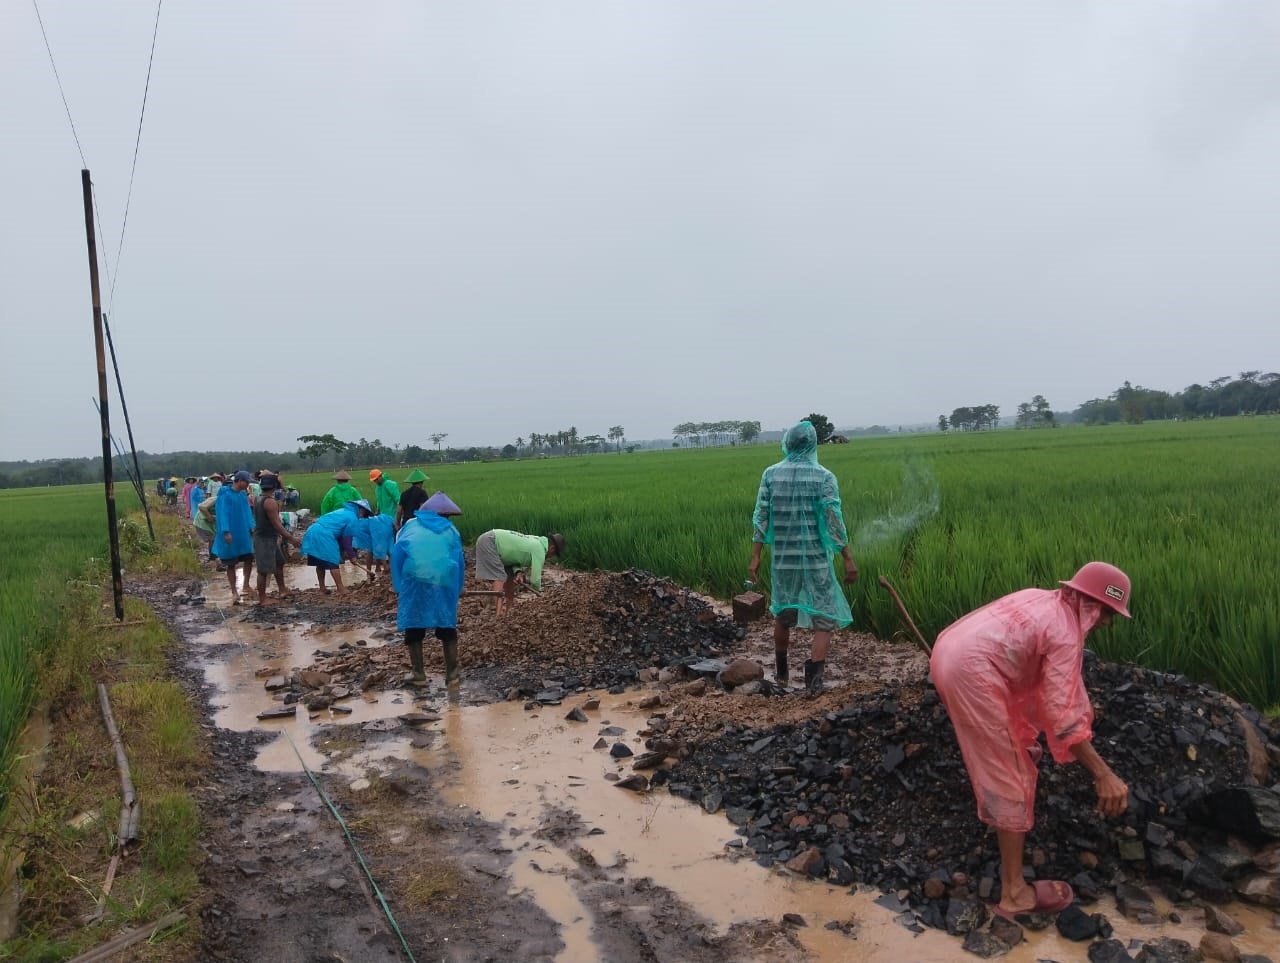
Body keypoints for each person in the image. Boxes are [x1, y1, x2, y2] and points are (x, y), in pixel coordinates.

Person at [929, 561, 1132, 921]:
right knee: (1010, 773)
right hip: (971, 672)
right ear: (1088, 604)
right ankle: (1013, 894)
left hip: (947, 651)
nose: (1106, 623)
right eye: (1105, 612)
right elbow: (1061, 714)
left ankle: (1006, 827)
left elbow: (1031, 676)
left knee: (1015, 753)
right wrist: (1103, 773)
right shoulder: (1066, 633)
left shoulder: (1039, 599)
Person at [748, 420, 858, 694]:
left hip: (784, 558)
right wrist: (847, 557)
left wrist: (756, 556)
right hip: (817, 560)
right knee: (824, 616)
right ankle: (814, 681)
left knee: (783, 612)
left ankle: (782, 673)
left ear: (788, 443)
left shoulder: (771, 475)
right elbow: (834, 520)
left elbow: (761, 516)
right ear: (811, 445)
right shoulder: (824, 477)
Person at [391, 490, 465, 687]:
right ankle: (452, 675)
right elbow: (459, 562)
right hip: (443, 580)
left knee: (414, 624)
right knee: (446, 622)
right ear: (445, 515)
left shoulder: (409, 526)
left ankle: (419, 675)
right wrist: (457, 588)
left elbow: (397, 555)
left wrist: (399, 586)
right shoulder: (451, 531)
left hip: (414, 581)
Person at [474, 528, 564, 617]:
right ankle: (498, 616)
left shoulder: (536, 541)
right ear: (552, 549)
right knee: (499, 577)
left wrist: (518, 572)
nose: (550, 557)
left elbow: (515, 556)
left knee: (510, 581)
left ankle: (508, 613)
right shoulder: (539, 549)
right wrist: (543, 597)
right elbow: (535, 580)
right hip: (490, 541)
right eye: (553, 555)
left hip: (496, 545)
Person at [300, 499, 373, 595]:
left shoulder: (343, 511)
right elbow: (347, 541)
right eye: (364, 514)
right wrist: (352, 556)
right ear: (361, 510)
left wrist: (344, 552)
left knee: (320, 562)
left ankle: (322, 588)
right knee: (333, 561)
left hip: (313, 531)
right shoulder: (352, 518)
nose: (362, 516)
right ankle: (341, 589)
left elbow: (340, 536)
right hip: (324, 534)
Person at [251, 474, 301, 605]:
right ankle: (262, 598)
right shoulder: (270, 502)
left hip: (268, 536)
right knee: (263, 570)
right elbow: (277, 524)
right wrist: (291, 539)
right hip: (265, 539)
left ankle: (282, 589)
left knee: (279, 563)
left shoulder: (257, 498)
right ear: (274, 487)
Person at [213, 470, 255, 603]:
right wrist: (226, 531)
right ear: (239, 481)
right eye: (246, 482)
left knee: (248, 558)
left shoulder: (243, 495)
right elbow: (222, 514)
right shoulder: (225, 495)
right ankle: (234, 591)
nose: (248, 484)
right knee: (231, 563)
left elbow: (247, 511)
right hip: (231, 532)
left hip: (243, 532)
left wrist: (252, 526)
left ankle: (246, 585)